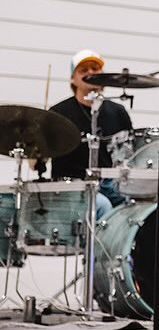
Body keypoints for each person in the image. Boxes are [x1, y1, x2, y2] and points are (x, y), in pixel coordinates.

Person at [46, 49, 130, 218]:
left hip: (109, 185)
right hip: (72, 188)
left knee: (140, 206)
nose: (91, 72)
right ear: (73, 79)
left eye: (95, 69)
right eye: (84, 70)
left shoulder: (118, 112)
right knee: (101, 205)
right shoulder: (58, 114)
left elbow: (129, 153)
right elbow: (37, 160)